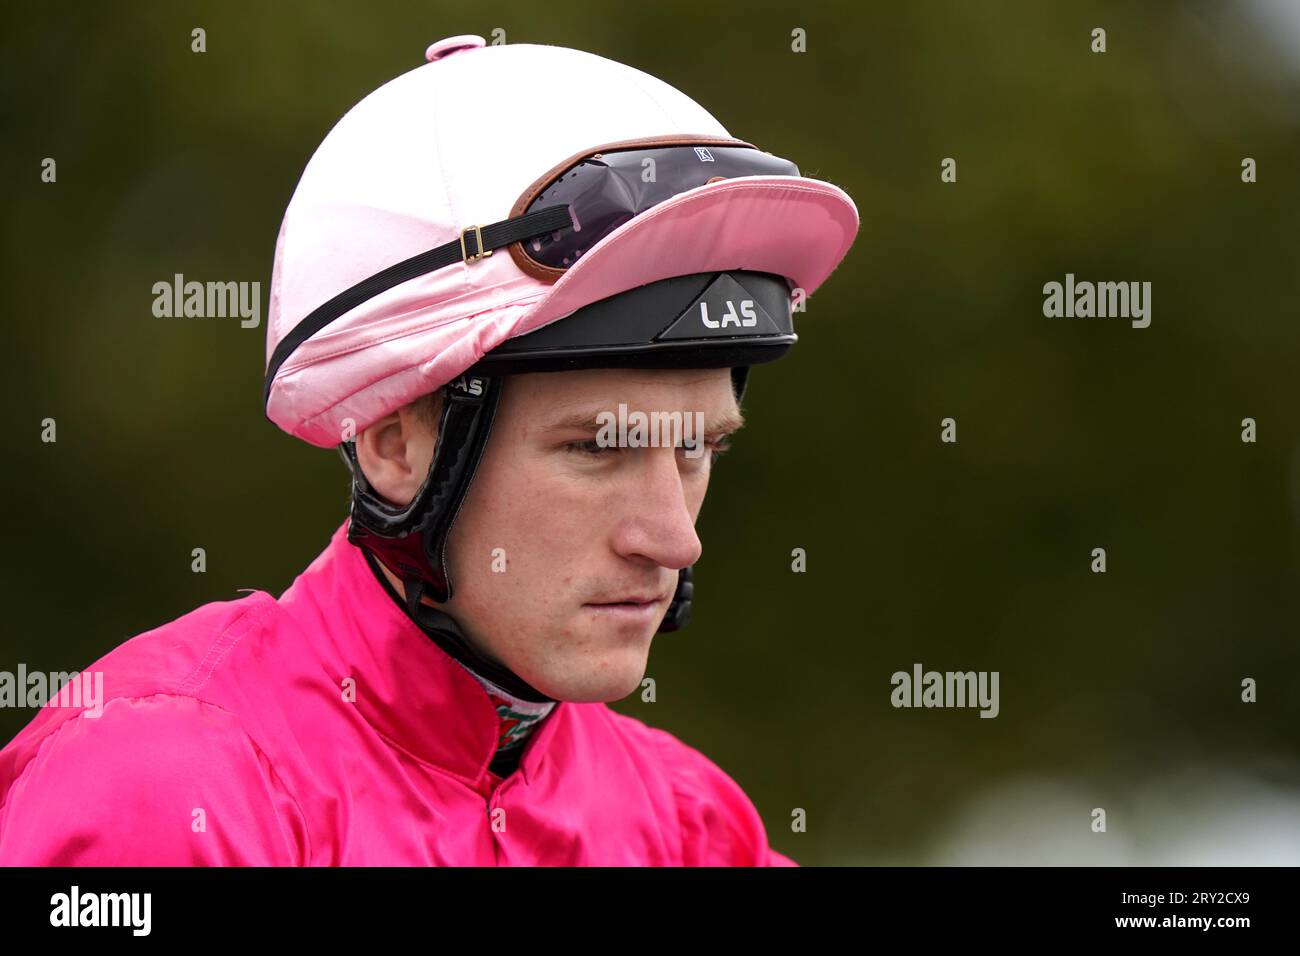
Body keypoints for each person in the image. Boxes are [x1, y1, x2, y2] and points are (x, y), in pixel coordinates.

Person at [0, 35, 858, 865]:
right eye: (599, 446)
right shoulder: (167, 789)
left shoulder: (685, 823)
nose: (674, 540)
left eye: (698, 450)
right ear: (392, 442)